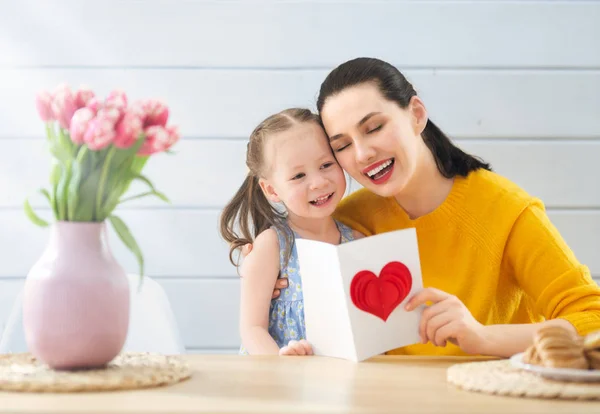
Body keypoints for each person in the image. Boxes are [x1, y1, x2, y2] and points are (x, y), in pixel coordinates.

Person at [239, 57, 600, 358]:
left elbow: (592, 320)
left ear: (416, 114)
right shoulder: (349, 218)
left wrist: (485, 337)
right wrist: (263, 267)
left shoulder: (505, 210)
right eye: (342, 145)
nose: (363, 154)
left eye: (374, 127)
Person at [219, 108, 364, 356]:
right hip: (279, 382)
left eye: (326, 164)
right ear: (272, 190)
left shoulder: (357, 242)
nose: (318, 182)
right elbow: (252, 328)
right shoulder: (273, 245)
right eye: (298, 175)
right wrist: (281, 365)